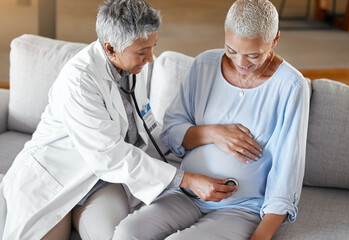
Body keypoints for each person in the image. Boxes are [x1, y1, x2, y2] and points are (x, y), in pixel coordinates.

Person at [0, 0, 238, 239]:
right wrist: (186, 180)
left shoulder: (131, 71)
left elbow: (147, 129)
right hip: (56, 180)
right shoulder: (79, 81)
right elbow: (111, 155)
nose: (151, 59)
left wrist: (203, 140)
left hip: (102, 182)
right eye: (142, 52)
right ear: (110, 47)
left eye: (152, 47)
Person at [114, 0, 311, 239]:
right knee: (127, 233)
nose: (241, 63)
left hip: (240, 209)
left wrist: (261, 236)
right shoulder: (205, 64)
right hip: (186, 194)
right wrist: (213, 133)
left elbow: (287, 173)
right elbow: (172, 131)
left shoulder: (291, 86)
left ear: (275, 40)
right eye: (231, 50)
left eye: (253, 55)